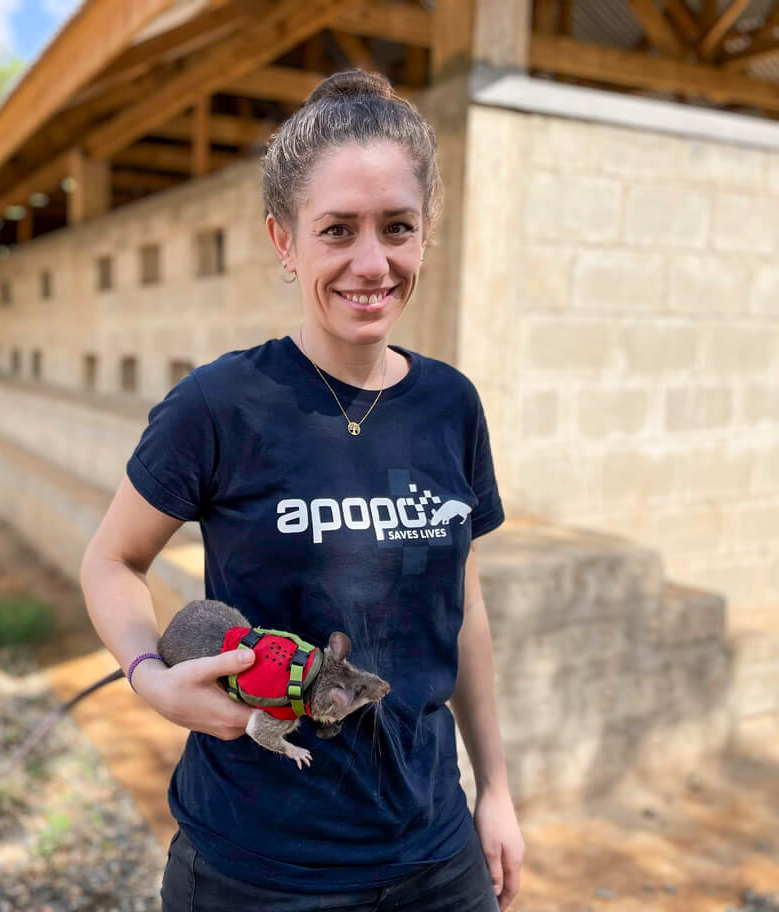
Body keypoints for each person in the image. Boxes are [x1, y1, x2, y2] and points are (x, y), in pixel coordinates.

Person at [79, 69, 524, 911]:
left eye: (397, 227)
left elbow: (462, 606)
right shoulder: (220, 404)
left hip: (438, 857)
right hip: (258, 872)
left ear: (427, 233)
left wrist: (495, 790)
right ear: (285, 241)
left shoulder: (450, 405)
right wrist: (148, 675)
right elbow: (110, 561)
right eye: (337, 230)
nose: (372, 261)